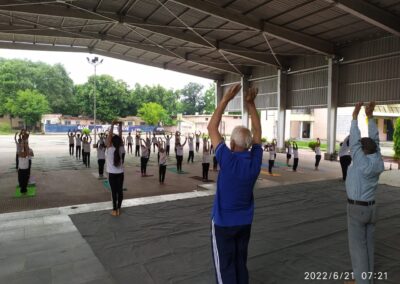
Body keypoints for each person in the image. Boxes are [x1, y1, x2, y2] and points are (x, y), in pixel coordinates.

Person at [208, 84, 262, 284]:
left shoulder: (227, 160)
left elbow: (212, 127)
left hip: (223, 223)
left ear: (231, 144)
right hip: (244, 222)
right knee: (240, 262)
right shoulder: (255, 162)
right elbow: (258, 130)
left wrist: (224, 101)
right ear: (248, 145)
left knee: (225, 267)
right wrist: (250, 104)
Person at [346, 102, 384, 284]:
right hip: (371, 209)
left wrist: (355, 117)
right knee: (369, 246)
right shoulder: (377, 160)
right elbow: (375, 140)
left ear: (362, 151)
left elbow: (354, 142)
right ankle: (366, 279)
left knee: (358, 249)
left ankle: (362, 282)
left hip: (357, 210)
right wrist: (369, 117)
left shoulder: (361, 162)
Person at [106, 121, 124, 217]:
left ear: (111, 142)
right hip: (120, 173)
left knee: (114, 192)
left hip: (112, 174)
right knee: (119, 191)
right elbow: (120, 136)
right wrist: (120, 126)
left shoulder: (109, 148)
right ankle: (119, 208)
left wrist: (112, 125)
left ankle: (114, 209)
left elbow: (109, 137)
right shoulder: (121, 148)